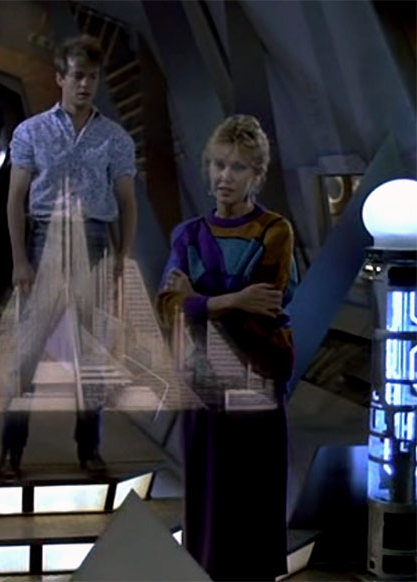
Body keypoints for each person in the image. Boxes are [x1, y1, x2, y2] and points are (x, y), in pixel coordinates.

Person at [156, 114, 297, 581]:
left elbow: (265, 305)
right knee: (208, 503)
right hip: (203, 385)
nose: (225, 176)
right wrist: (231, 299)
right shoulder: (188, 234)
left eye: (237, 167)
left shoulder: (274, 230)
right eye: (218, 164)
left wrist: (197, 298)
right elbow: (168, 308)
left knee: (254, 501)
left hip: (256, 383)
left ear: (257, 175)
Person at [0, 35, 137, 479]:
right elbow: (15, 198)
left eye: (92, 77)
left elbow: (127, 201)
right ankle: (11, 451)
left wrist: (122, 257)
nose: (85, 85)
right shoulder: (31, 132)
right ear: (60, 77)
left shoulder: (114, 137)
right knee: (27, 354)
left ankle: (88, 449)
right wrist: (20, 260)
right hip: (46, 238)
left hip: (95, 241)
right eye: (77, 76)